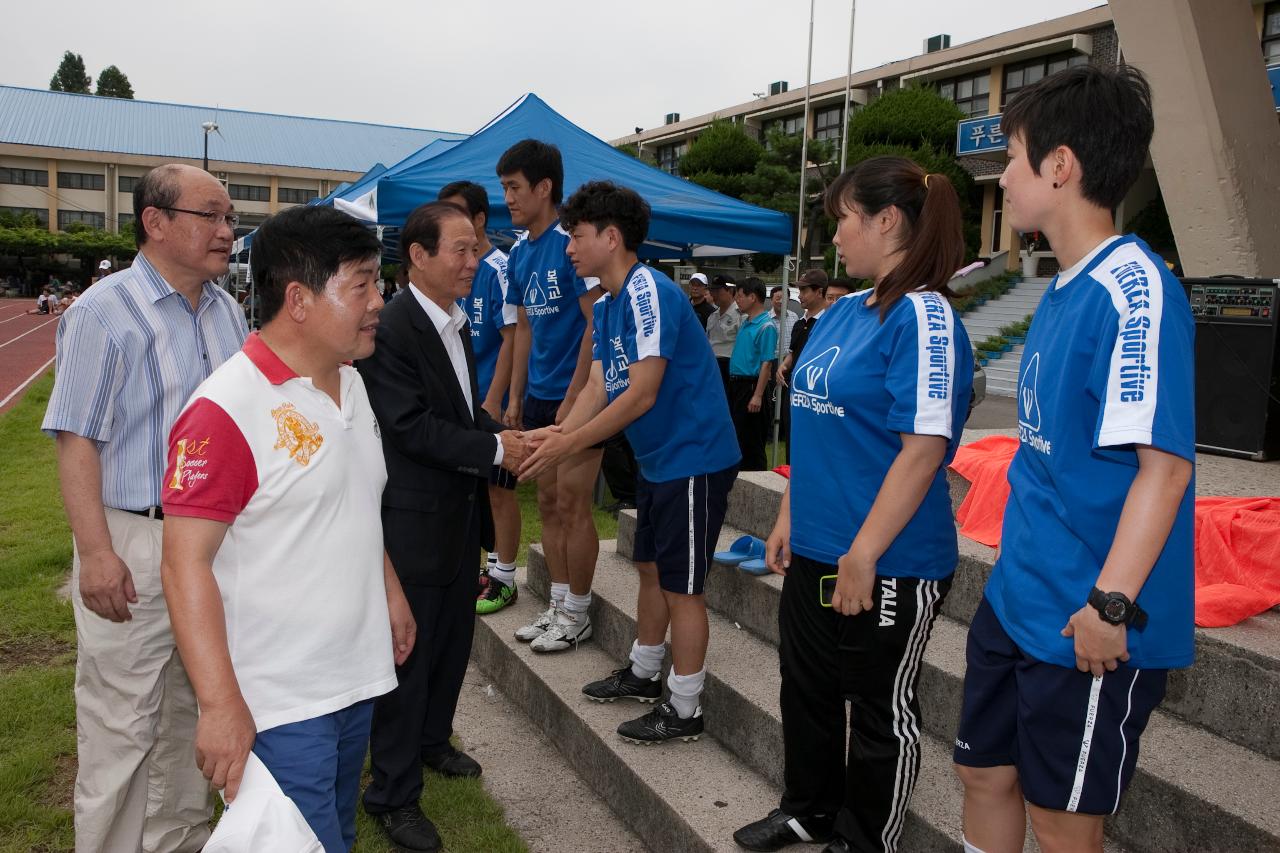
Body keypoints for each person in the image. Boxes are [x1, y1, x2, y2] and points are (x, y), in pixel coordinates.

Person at [953, 65, 1194, 853]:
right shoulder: (1060, 286)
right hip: (1018, 598)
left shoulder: (1133, 289)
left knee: (1062, 819)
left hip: (1087, 616)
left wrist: (1110, 606)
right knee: (984, 773)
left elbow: (1165, 467)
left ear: (1061, 165)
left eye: (1014, 158)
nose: (1006, 179)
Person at [733, 156, 973, 853]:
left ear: (887, 220)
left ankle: (865, 839)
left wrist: (864, 552)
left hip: (888, 558)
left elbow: (923, 449)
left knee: (877, 708)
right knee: (805, 686)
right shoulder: (843, 311)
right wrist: (786, 513)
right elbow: (815, 422)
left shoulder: (924, 315)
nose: (835, 236)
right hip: (818, 543)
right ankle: (808, 807)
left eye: (843, 219)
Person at [159, 205, 412, 853]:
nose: (379, 300)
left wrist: (389, 591)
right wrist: (219, 705)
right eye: (361, 285)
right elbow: (183, 564)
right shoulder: (226, 410)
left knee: (335, 835)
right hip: (278, 701)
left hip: (353, 678)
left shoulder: (352, 387)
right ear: (298, 299)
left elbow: (353, 503)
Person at [41, 163, 249, 853]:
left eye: (229, 218)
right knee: (121, 722)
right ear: (156, 223)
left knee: (195, 707)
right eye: (210, 216)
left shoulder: (225, 311)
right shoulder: (104, 312)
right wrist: (96, 553)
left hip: (210, 547)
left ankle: (178, 840)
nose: (226, 232)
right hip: (132, 537)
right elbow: (78, 442)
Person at [520, 180, 740, 742]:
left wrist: (569, 444)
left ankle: (685, 706)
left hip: (693, 459)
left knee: (682, 586)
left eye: (578, 236)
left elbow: (641, 392)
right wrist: (559, 432)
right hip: (660, 460)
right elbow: (598, 381)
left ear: (611, 237)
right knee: (650, 569)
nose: (569, 248)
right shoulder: (614, 303)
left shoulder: (649, 290)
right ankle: (645, 672)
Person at [356, 201, 526, 853]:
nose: (473, 261)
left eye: (476, 248)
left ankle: (432, 743)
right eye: (459, 249)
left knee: (451, 643)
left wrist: (508, 438)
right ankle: (392, 794)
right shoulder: (393, 327)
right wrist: (494, 451)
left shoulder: (454, 322)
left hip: (457, 517)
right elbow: (409, 425)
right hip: (412, 522)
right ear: (418, 256)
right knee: (407, 655)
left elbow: (458, 413)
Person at [499, 139, 603, 653]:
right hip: (538, 395)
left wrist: (578, 391)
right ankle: (559, 604)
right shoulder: (519, 252)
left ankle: (579, 610)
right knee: (545, 499)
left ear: (544, 188)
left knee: (572, 502)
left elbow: (594, 323)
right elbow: (521, 331)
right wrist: (516, 399)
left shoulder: (571, 243)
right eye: (504, 188)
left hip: (578, 397)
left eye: (515, 187)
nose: (509, 198)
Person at [437, 180, 522, 615]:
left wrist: (497, 401)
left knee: (500, 488)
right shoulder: (457, 271)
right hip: (467, 400)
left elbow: (512, 338)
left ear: (480, 219)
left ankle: (506, 575)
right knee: (475, 489)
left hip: (493, 400)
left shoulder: (498, 268)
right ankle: (487, 567)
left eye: (457, 211)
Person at [726, 277, 777, 471]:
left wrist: (757, 395)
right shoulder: (747, 322)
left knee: (752, 440)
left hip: (751, 386)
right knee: (739, 436)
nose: (737, 300)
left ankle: (756, 484)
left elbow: (766, 363)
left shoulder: (766, 326)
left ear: (753, 297)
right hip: (737, 385)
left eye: (740, 296)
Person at [779, 269, 829, 385]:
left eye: (804, 291)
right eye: (799, 291)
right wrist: (784, 365)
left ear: (819, 292)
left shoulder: (828, 324)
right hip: (793, 387)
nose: (800, 296)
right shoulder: (799, 323)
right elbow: (794, 352)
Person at [706, 274, 740, 391]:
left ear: (730, 291)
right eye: (712, 290)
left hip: (730, 366)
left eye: (717, 291)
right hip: (712, 365)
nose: (713, 295)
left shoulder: (741, 315)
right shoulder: (712, 316)